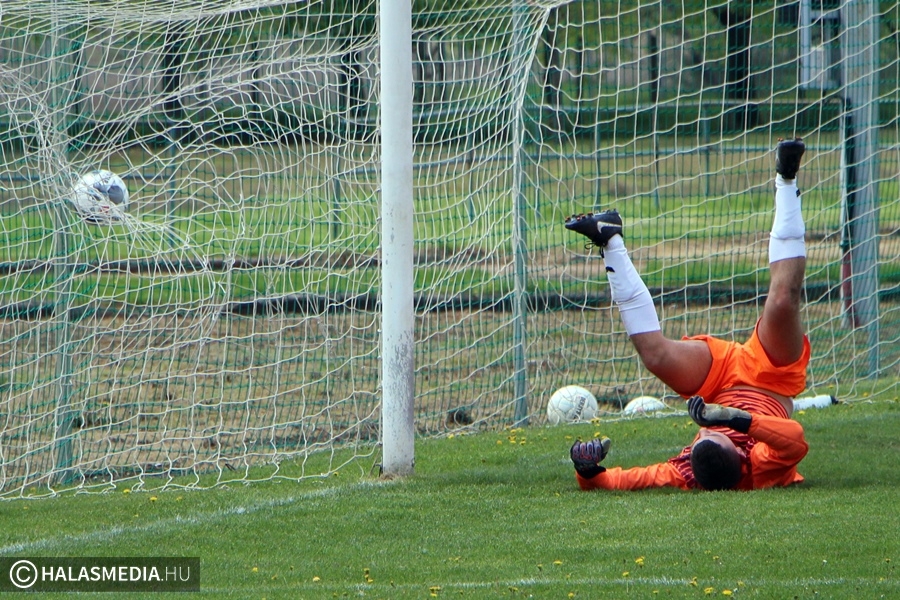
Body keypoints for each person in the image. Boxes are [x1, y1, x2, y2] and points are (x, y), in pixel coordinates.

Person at [563, 138, 811, 491]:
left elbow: (617, 481)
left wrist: (586, 469)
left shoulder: (685, 471)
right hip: (772, 377)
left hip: (718, 382)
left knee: (655, 356)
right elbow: (795, 438)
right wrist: (736, 419)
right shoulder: (760, 467)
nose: (708, 429)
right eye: (714, 432)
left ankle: (610, 238)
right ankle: (786, 181)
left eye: (702, 433)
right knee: (783, 301)